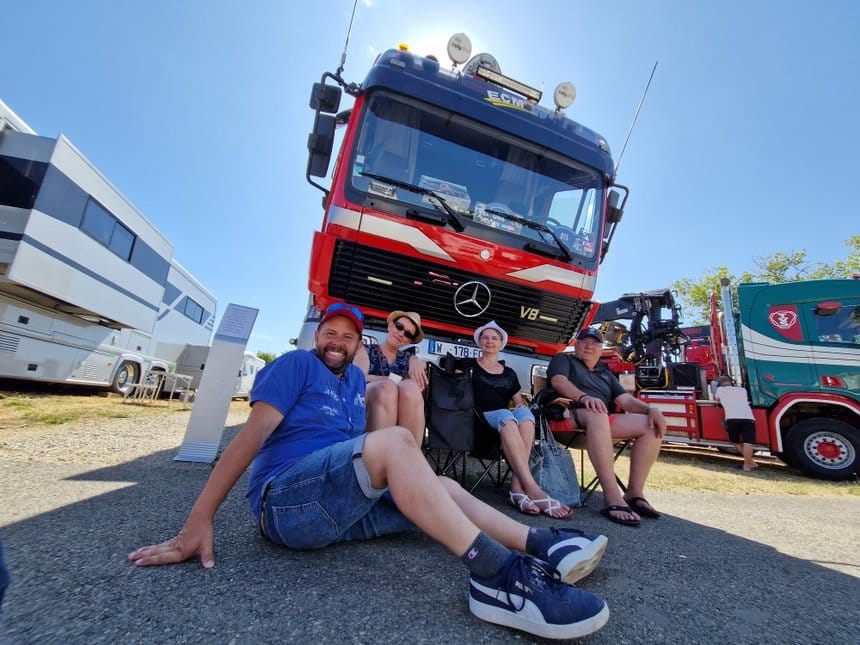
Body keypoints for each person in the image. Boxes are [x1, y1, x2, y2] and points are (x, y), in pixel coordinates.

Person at [127, 303, 611, 640]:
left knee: (439, 484)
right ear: (317, 337)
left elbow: (367, 433)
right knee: (398, 442)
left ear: (359, 343)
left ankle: (539, 544)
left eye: (348, 336)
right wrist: (199, 519)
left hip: (333, 507)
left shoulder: (356, 379)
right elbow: (249, 441)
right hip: (287, 502)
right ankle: (496, 575)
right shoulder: (296, 365)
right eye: (330, 333)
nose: (337, 342)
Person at [547, 328, 667, 527]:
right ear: (576, 344)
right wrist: (583, 398)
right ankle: (612, 497)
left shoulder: (605, 372)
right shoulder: (564, 359)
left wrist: (651, 409)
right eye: (584, 342)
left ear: (601, 348)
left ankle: (634, 493)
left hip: (599, 423)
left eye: (594, 343)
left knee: (650, 425)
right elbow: (558, 381)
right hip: (567, 416)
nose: (589, 346)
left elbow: (626, 401)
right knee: (597, 413)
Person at [470, 321, 572, 519]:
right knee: (507, 416)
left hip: (505, 420)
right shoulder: (469, 366)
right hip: (480, 417)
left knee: (525, 417)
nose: (489, 341)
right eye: (485, 337)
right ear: (479, 341)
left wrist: (521, 408)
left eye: (494, 338)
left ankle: (517, 489)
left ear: (501, 343)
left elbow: (518, 401)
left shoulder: (509, 373)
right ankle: (532, 489)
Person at [354, 310, 427, 445]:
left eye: (407, 334)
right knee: (386, 388)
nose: (401, 333)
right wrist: (390, 381)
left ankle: (410, 454)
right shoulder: (366, 350)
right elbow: (358, 378)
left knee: (410, 387)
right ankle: (378, 454)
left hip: (398, 408)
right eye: (399, 326)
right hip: (364, 400)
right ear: (390, 326)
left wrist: (417, 361)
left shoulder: (408, 359)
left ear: (409, 341)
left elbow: (418, 388)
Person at [714, 375, 758, 472]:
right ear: (731, 382)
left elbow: (716, 400)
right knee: (748, 443)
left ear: (720, 384)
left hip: (733, 418)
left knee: (736, 442)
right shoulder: (742, 390)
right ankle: (750, 462)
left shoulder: (720, 390)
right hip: (748, 418)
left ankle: (747, 465)